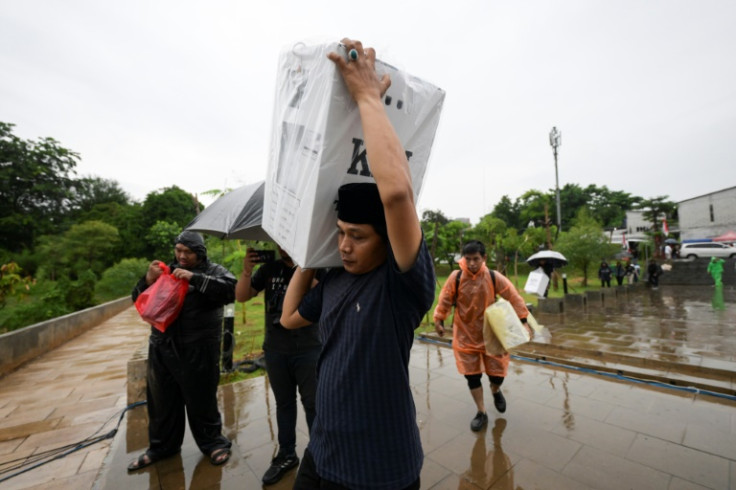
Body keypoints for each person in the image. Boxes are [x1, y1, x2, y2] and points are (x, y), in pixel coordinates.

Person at [280, 38, 435, 490]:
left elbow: (397, 195)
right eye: (341, 233)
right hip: (323, 455)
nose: (345, 246)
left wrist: (368, 97)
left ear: (388, 241)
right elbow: (290, 318)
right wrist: (309, 254)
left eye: (359, 236)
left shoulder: (401, 286)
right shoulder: (332, 279)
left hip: (381, 470)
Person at [128, 231, 235, 471]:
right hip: (162, 346)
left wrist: (194, 278)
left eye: (188, 251)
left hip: (198, 348)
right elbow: (138, 301)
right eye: (178, 251)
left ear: (200, 252)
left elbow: (231, 290)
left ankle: (213, 443)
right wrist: (147, 279)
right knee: (161, 400)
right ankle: (161, 447)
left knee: (201, 398)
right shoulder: (164, 274)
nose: (182, 256)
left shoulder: (213, 271)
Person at [235, 246, 321, 485]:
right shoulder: (269, 270)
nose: (283, 247)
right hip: (275, 350)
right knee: (284, 404)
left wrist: (304, 268)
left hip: (309, 349)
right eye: (280, 242)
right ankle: (286, 454)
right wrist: (246, 271)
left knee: (313, 404)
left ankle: (319, 457)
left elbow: (324, 295)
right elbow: (242, 296)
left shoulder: (315, 267)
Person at [433, 240, 530, 431]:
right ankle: (481, 411)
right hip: (465, 334)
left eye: (476, 259)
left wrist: (524, 320)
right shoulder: (457, 277)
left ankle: (495, 389)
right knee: (472, 375)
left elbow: (513, 295)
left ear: (484, 258)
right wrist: (439, 319)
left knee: (497, 373)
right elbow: (445, 298)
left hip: (491, 333)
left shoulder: (493, 276)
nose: (471, 263)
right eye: (467, 259)